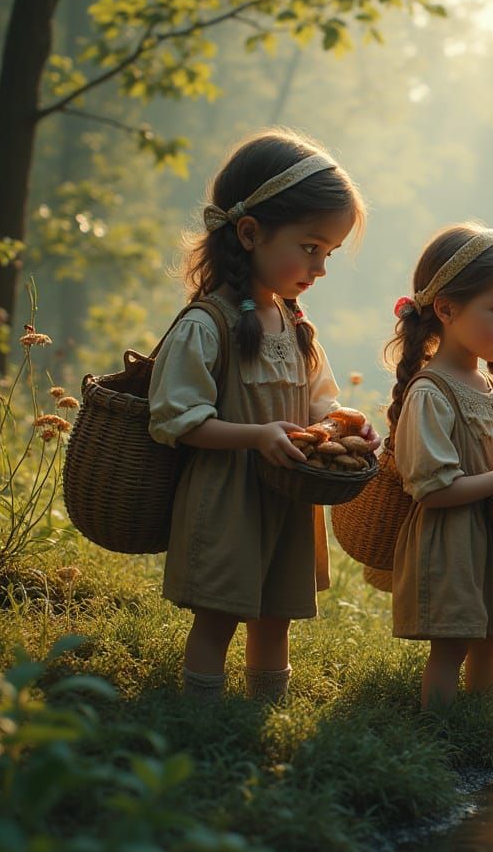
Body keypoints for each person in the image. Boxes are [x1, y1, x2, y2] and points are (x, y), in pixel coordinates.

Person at [149, 128, 378, 704]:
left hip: (286, 498)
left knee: (275, 615)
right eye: (310, 247)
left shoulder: (296, 326)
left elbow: (319, 399)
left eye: (328, 253)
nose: (320, 267)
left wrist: (340, 421)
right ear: (249, 232)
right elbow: (177, 419)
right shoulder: (208, 325)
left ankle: (263, 712)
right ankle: (202, 718)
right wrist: (256, 436)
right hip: (227, 496)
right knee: (220, 615)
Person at [383, 223, 493, 709]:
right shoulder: (430, 392)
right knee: (453, 642)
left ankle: (478, 725)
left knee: (491, 637)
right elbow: (431, 489)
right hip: (453, 540)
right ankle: (440, 733)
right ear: (447, 309)